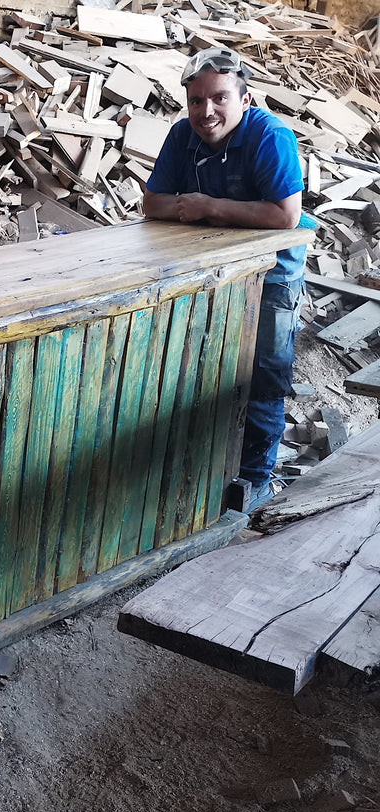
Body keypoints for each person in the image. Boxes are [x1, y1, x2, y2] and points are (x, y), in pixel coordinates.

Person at [143, 47, 314, 513]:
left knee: (263, 375)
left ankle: (255, 479)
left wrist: (207, 206)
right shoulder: (183, 136)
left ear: (246, 98)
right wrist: (188, 205)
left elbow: (285, 215)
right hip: (208, 273)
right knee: (197, 369)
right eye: (195, 100)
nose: (206, 111)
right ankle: (196, 471)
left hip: (272, 274)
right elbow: (152, 203)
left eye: (218, 98)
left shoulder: (270, 136)